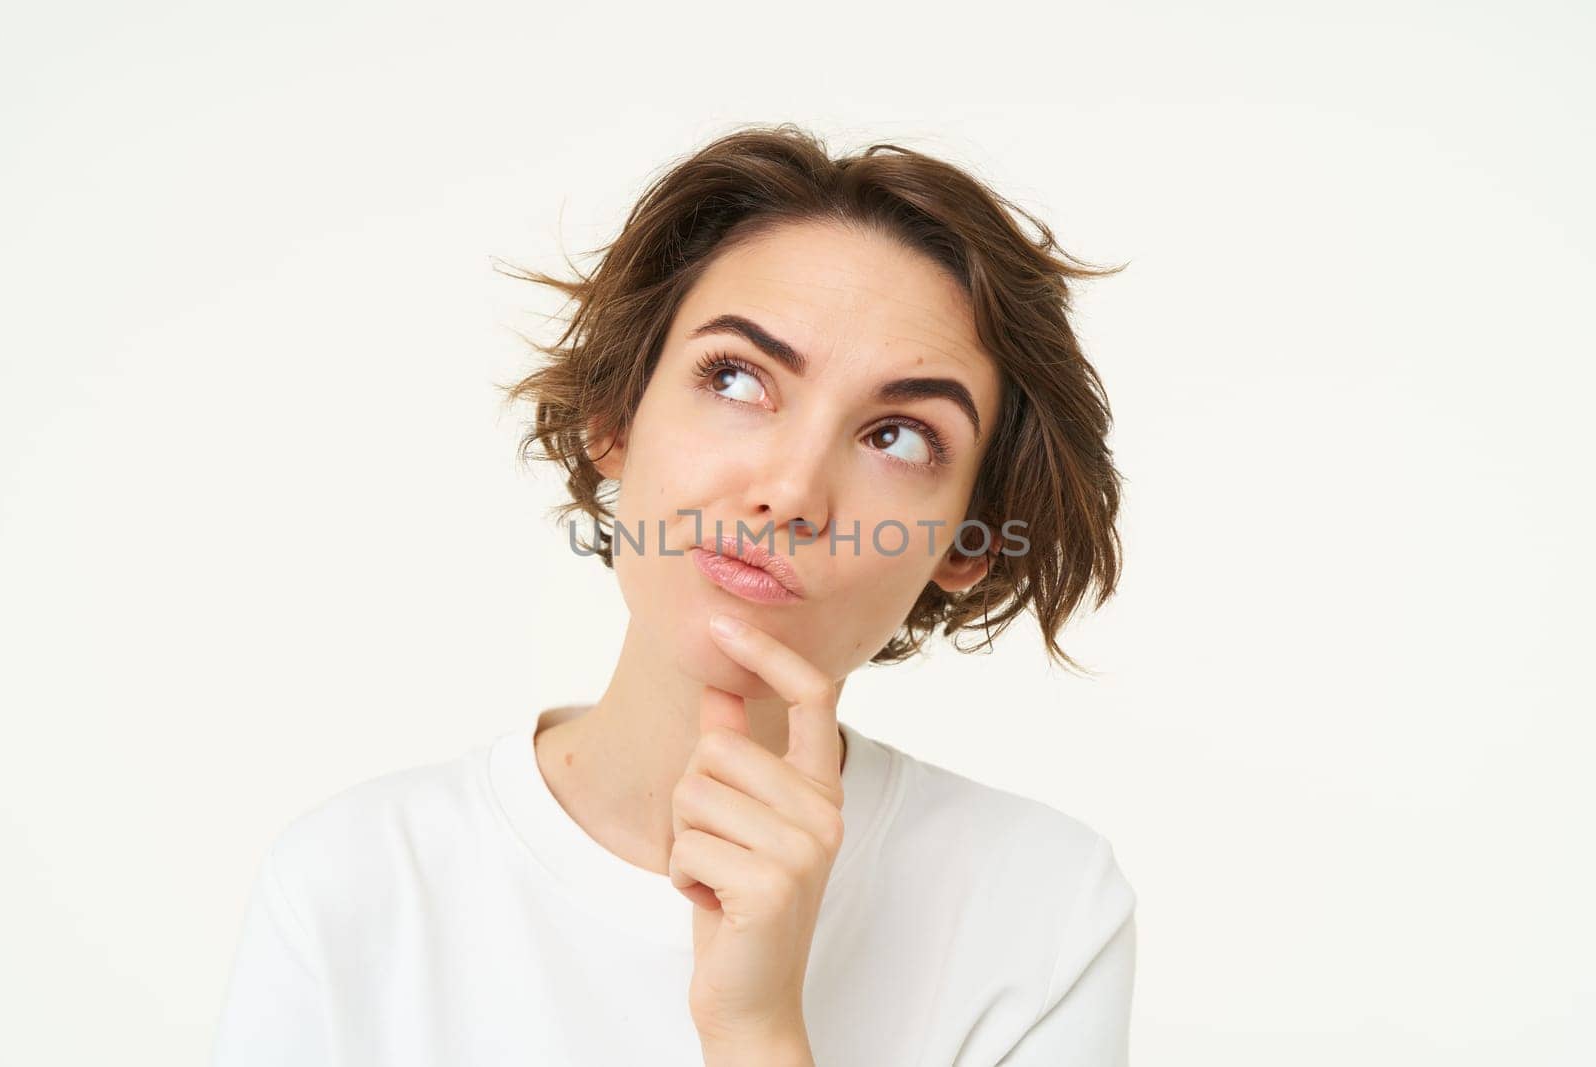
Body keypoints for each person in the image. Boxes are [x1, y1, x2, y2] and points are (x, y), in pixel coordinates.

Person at [211, 123, 1138, 1066]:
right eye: (736, 378)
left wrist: (757, 1030)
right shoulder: (356, 882)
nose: (790, 490)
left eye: (897, 437)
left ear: (967, 542)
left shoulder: (1045, 910)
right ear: (615, 415)